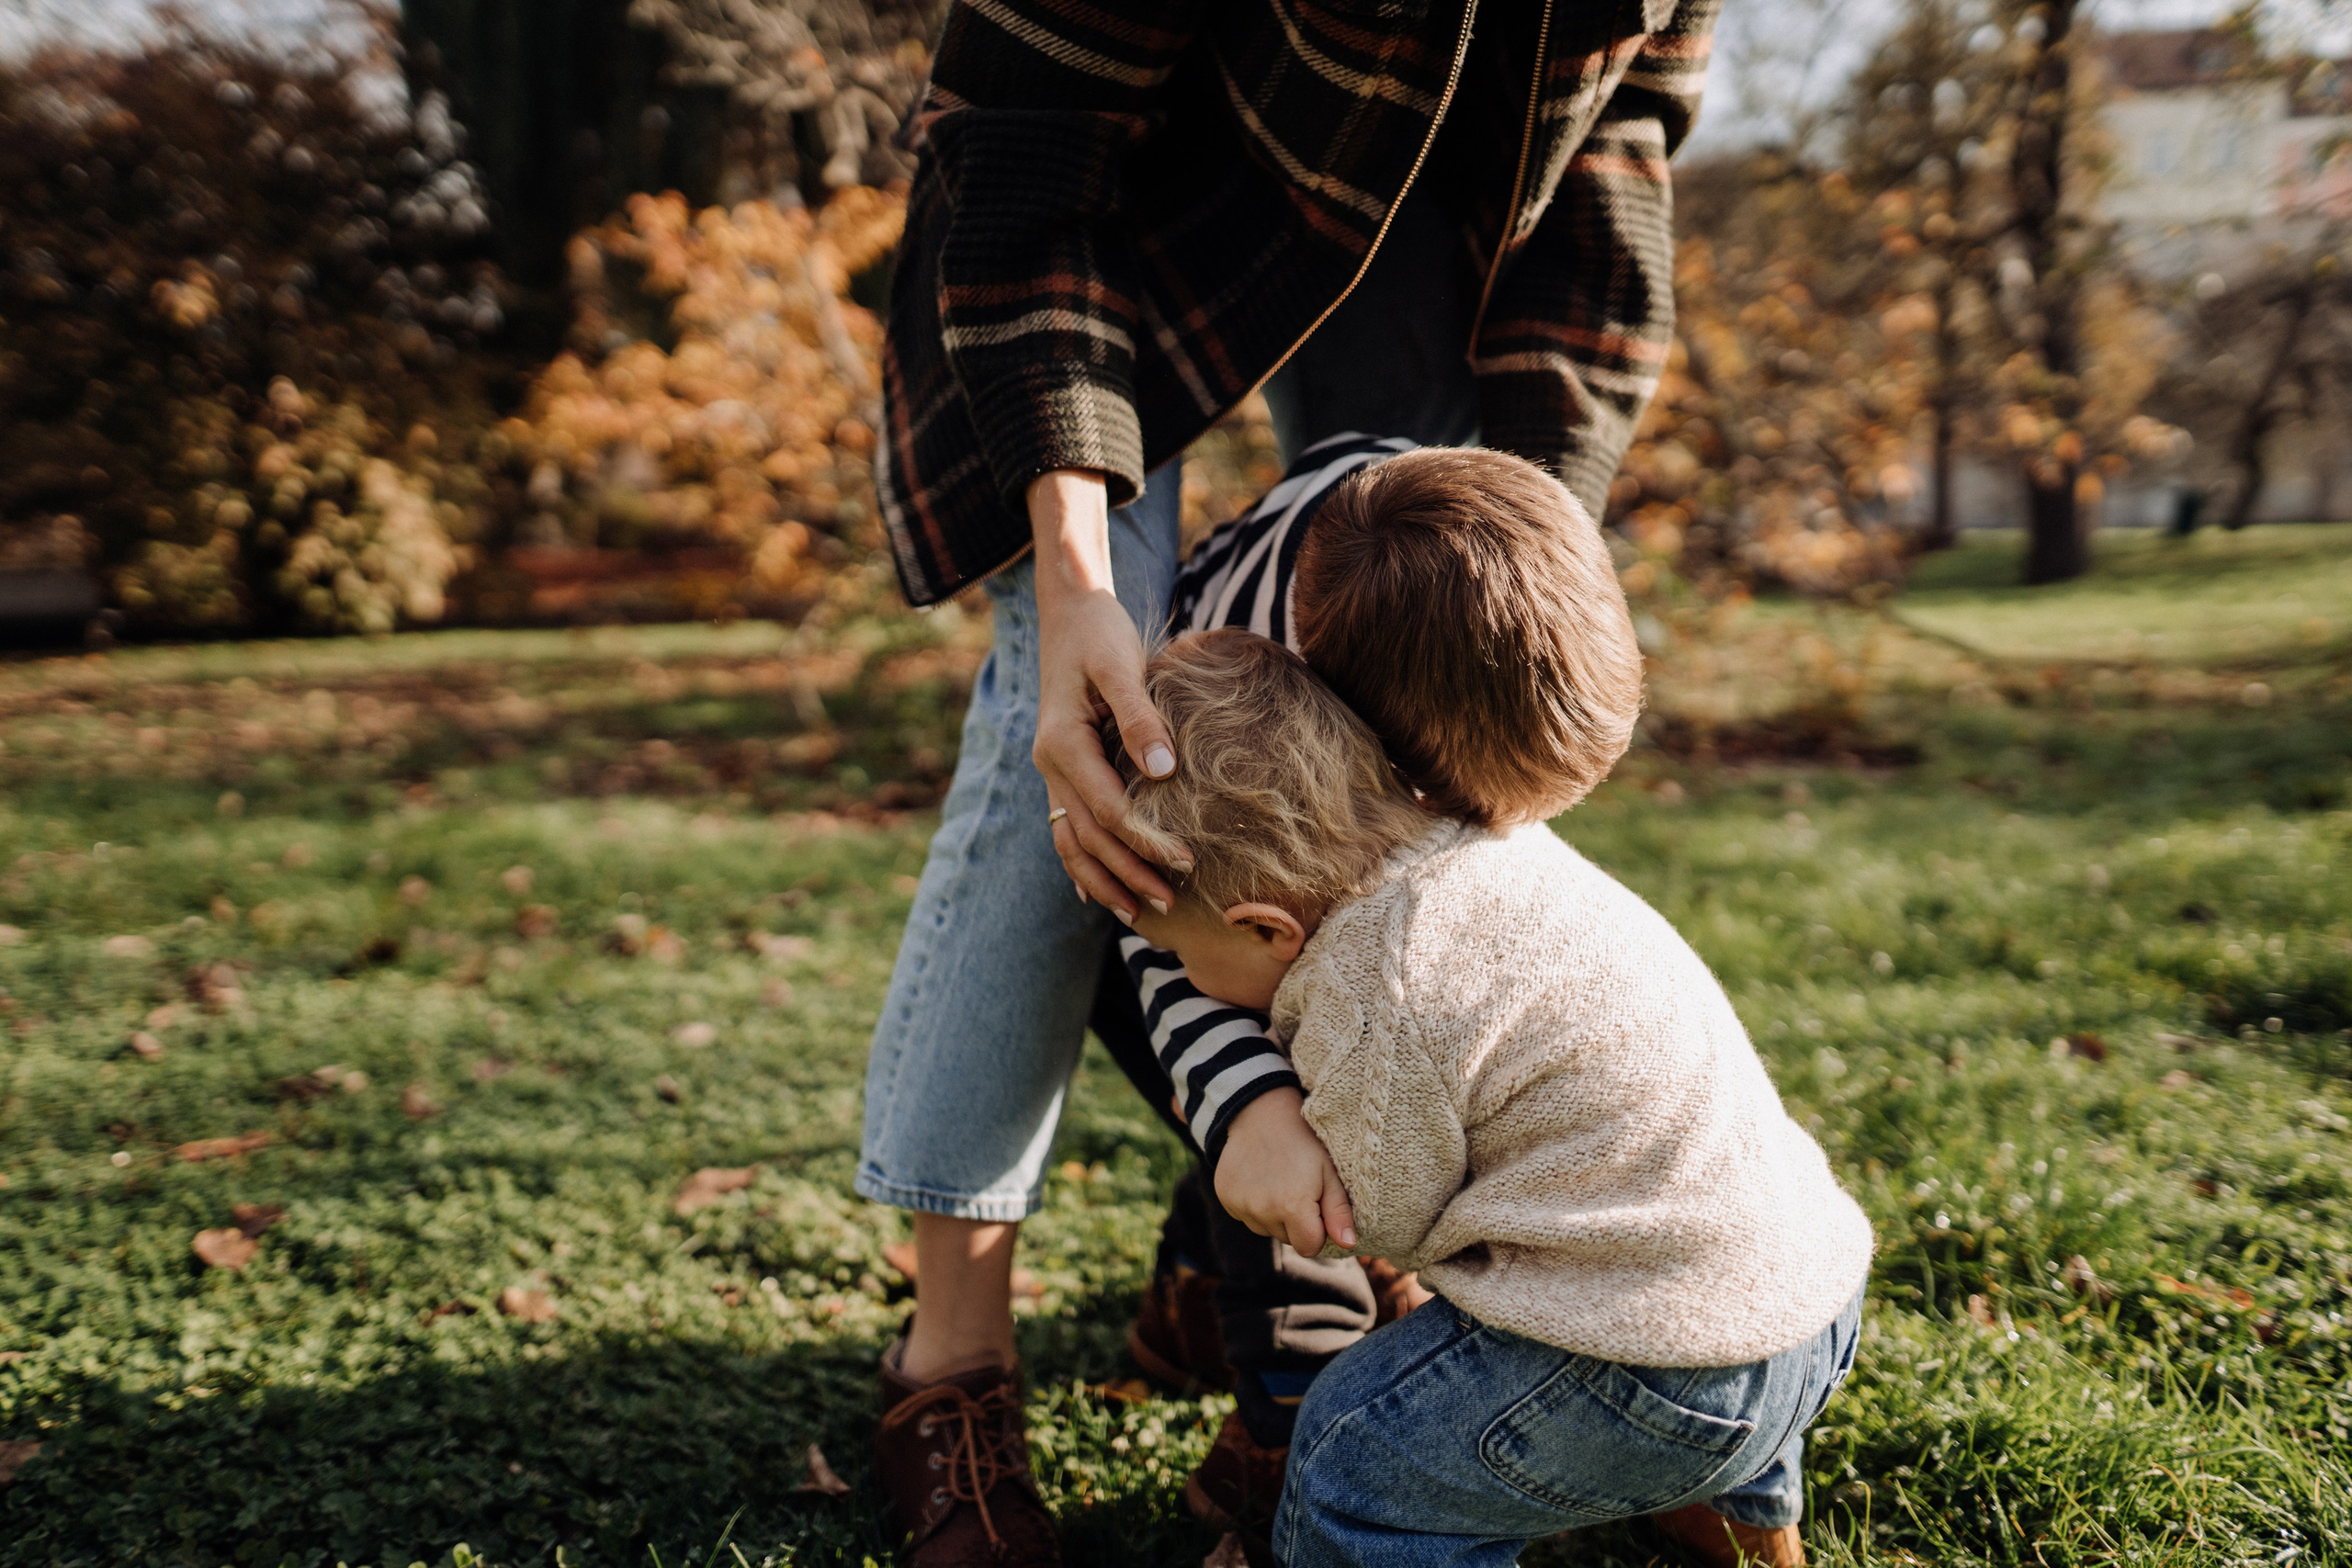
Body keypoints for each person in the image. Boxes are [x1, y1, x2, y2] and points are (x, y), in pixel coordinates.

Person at [861, 0, 1723, 1559]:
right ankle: (950, 1365)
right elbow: (1023, 136)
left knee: (1408, 835)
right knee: (1077, 769)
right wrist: (1075, 590)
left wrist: (1536, 521)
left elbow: (1623, 143)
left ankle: (1244, 1283)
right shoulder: (1230, 660)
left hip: (1412, 193)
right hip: (1076, 214)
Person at [1114, 628, 1873, 1568]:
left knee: (1350, 1447)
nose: (1187, 978)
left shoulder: (1366, 987)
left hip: (1661, 1371)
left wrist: (1279, 1184)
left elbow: (1382, 1215)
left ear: (1266, 927)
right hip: (1809, 1310)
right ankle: (1752, 1528)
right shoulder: (1488, 841)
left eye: (1183, 958)